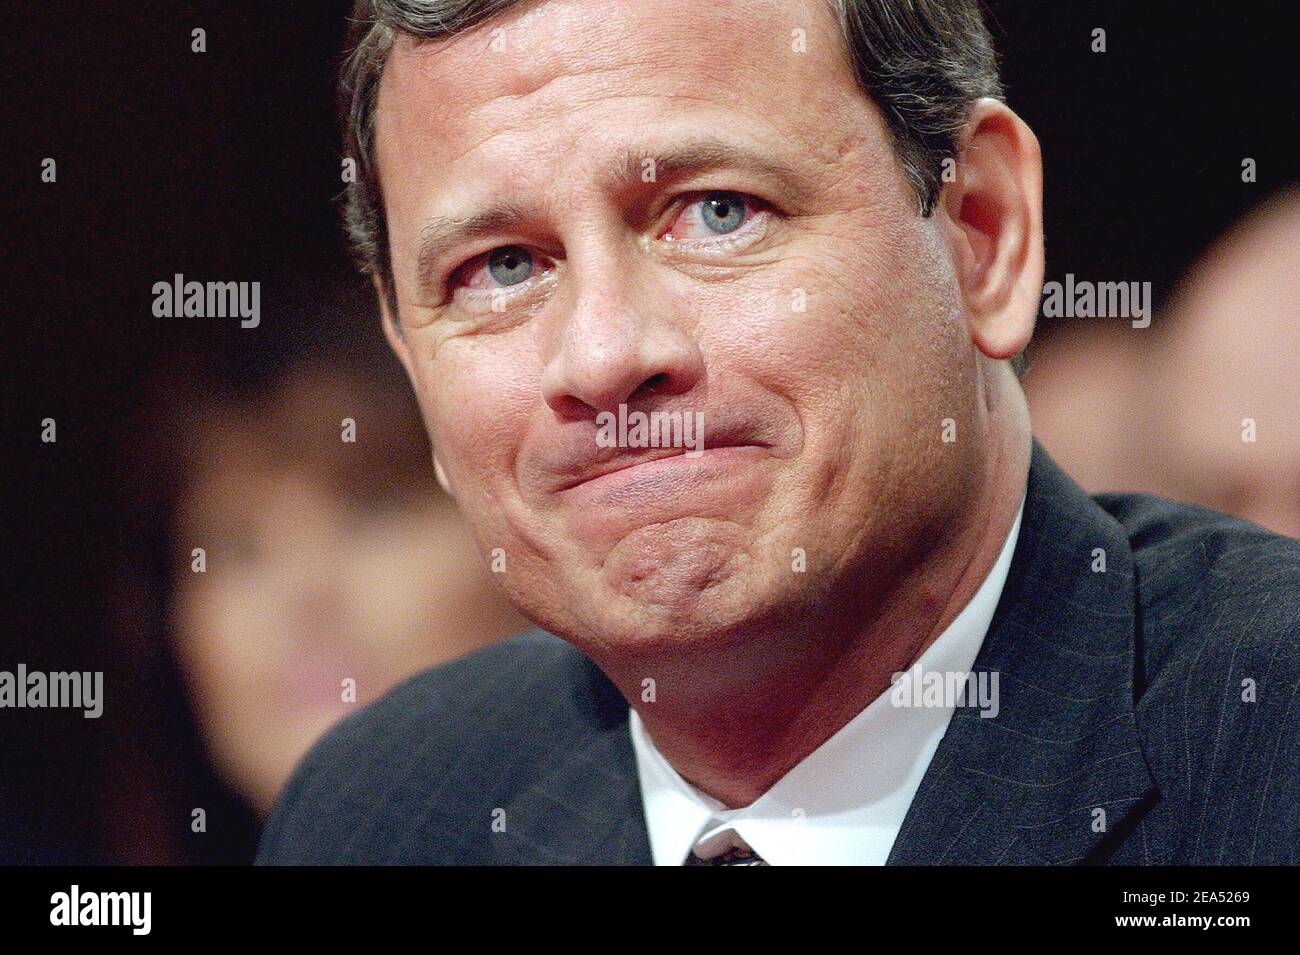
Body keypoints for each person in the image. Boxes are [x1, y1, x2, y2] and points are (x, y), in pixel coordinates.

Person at [257, 0, 1300, 865]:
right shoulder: (378, 820)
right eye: (501, 268)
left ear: (981, 233)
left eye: (717, 211)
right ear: (409, 355)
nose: (603, 357)